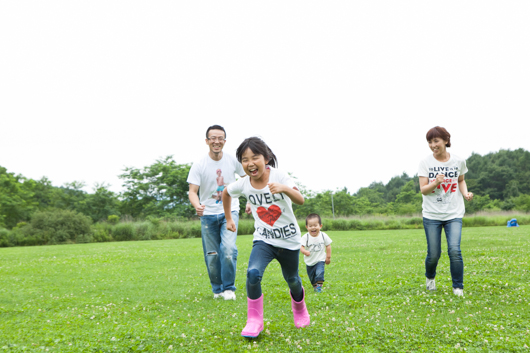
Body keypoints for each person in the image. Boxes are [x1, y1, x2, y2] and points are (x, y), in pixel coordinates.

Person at [222, 136, 310, 338]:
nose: (250, 163)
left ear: (266, 158)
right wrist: (228, 218)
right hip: (264, 240)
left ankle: (299, 309)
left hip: (289, 240)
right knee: (253, 273)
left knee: (293, 280)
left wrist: (285, 189)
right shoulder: (244, 184)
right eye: (244, 159)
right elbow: (226, 193)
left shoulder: (279, 176)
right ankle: (254, 320)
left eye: (255, 157)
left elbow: (300, 199)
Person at [187, 125, 246, 301]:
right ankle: (218, 289)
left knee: (228, 249)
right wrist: (197, 205)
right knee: (212, 255)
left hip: (230, 211)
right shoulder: (199, 165)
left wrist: (250, 200)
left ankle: (229, 288)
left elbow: (247, 179)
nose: (216, 141)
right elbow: (192, 191)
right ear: (207, 141)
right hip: (208, 215)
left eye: (220, 138)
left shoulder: (232, 160)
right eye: (213, 138)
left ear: (225, 141)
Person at [418, 126, 473, 296]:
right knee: (434, 254)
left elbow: (461, 180)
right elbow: (423, 189)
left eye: (436, 141)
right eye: (429, 142)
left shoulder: (458, 161)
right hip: (432, 214)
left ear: (446, 141)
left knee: (455, 250)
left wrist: (465, 193)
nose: (432, 145)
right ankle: (430, 278)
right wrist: (435, 183)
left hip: (454, 213)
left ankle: (458, 287)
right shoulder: (425, 163)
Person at [300, 213, 332, 293]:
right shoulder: (305, 237)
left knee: (319, 272)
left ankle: (319, 288)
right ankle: (315, 286)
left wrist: (328, 257)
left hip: (320, 259)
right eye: (310, 226)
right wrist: (304, 251)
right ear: (307, 227)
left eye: (315, 225)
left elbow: (328, 245)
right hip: (310, 261)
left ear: (320, 226)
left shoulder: (323, 235)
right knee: (312, 277)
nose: (313, 228)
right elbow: (300, 246)